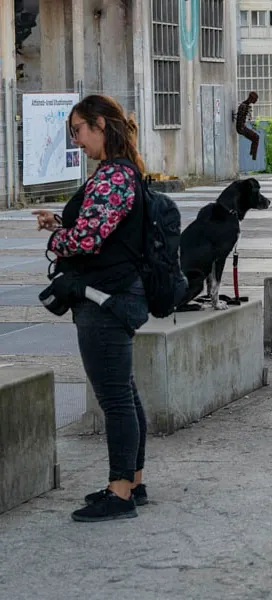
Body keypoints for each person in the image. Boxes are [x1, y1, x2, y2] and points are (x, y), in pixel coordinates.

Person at [32, 94, 150, 522]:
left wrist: (56, 239)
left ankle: (119, 494)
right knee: (125, 391)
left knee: (115, 397)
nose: (76, 140)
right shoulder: (123, 172)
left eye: (78, 130)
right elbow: (98, 232)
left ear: (100, 124)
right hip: (117, 294)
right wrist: (64, 225)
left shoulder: (112, 176)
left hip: (105, 299)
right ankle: (131, 483)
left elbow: (87, 241)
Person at [235, 91, 260, 160]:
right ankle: (253, 157)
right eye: (255, 99)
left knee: (255, 138)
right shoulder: (244, 106)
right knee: (256, 137)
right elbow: (240, 118)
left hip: (242, 127)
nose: (256, 101)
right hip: (241, 128)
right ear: (252, 99)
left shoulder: (245, 105)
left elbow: (245, 118)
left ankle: (252, 155)